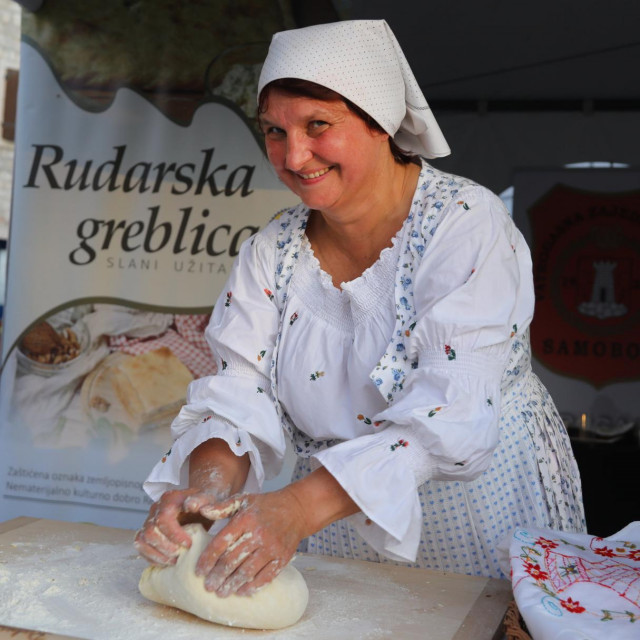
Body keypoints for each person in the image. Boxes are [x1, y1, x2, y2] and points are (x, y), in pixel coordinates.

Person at [134, 19, 586, 598]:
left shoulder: (463, 225)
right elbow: (239, 391)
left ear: (380, 123)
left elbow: (449, 414)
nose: (294, 155)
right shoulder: (273, 251)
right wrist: (206, 494)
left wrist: (296, 508)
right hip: (327, 525)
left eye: (318, 125)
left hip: (482, 517)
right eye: (274, 130)